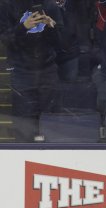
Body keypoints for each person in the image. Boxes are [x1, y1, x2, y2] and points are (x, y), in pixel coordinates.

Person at [0, 0, 63, 142]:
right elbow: (4, 39)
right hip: (22, 71)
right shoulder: (8, 5)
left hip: (47, 69)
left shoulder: (51, 6)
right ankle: (24, 156)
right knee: (23, 122)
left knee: (51, 119)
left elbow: (60, 44)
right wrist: (23, 27)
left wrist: (52, 27)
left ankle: (53, 157)